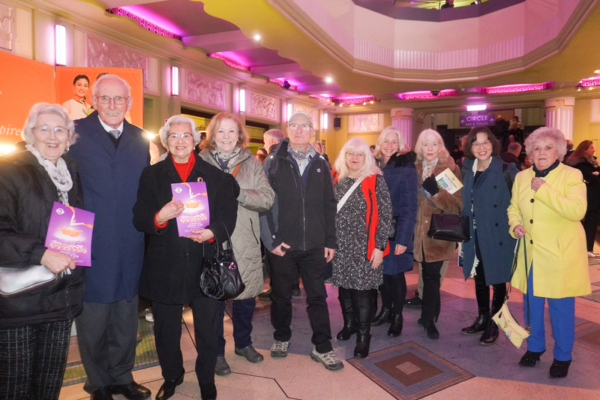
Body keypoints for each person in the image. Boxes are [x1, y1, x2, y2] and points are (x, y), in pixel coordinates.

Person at [133, 115, 239, 400]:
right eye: (173, 136)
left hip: (204, 262)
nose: (180, 141)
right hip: (165, 263)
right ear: (166, 141)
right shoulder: (151, 175)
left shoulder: (215, 176)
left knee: (207, 328)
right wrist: (160, 216)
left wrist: (212, 232)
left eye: (185, 136)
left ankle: (206, 379)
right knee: (166, 329)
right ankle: (172, 375)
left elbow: (228, 216)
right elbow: (140, 218)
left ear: (195, 140)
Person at [68, 74, 151, 400]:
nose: (113, 105)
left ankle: (122, 377)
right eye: (106, 98)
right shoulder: (74, 132)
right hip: (90, 240)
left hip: (131, 240)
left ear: (128, 103)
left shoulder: (140, 138)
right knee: (93, 318)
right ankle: (98, 383)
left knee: (126, 316)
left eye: (120, 99)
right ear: (94, 101)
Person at [0, 103, 85, 400]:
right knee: (14, 388)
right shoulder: (8, 170)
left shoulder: (70, 174)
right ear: (30, 133)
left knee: (49, 387)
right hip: (20, 301)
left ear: (69, 137)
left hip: (60, 297)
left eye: (60, 129)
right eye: (44, 128)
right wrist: (41, 254)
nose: (52, 136)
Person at [259, 112, 343, 370]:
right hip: (283, 244)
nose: (298, 130)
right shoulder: (273, 162)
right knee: (281, 295)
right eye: (294, 125)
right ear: (287, 129)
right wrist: (271, 240)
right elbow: (263, 204)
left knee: (318, 297)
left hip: (315, 245)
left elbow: (330, 204)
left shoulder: (321, 163)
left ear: (312, 132)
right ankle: (281, 336)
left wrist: (330, 240)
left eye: (304, 126)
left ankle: (323, 346)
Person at [508, 127, 591, 378]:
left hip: (559, 255)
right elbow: (513, 207)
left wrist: (544, 190)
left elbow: (577, 211)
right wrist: (515, 225)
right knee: (531, 306)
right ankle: (535, 347)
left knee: (560, 309)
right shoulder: (521, 177)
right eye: (536, 148)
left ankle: (563, 356)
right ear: (529, 153)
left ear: (559, 152)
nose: (541, 152)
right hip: (531, 254)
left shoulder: (571, 175)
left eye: (547, 147)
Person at [199, 113, 275, 376]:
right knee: (214, 299)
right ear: (212, 135)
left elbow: (267, 199)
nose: (226, 136)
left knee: (245, 297)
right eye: (221, 131)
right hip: (211, 240)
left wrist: (240, 193)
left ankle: (243, 343)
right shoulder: (200, 162)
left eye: (232, 131)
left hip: (244, 239)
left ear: (239, 135)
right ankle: (217, 352)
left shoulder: (251, 162)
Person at [331, 138, 392, 358]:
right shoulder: (335, 177)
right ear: (344, 156)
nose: (354, 158)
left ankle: (363, 336)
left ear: (367, 157)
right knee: (344, 287)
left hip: (366, 245)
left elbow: (385, 215)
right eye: (350, 153)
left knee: (363, 291)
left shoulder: (375, 179)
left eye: (359, 154)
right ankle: (349, 324)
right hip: (340, 244)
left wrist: (380, 246)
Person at [459, 126, 519, 346]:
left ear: (493, 144)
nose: (481, 147)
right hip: (474, 233)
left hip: (498, 233)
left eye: (485, 142)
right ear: (470, 147)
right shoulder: (466, 169)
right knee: (480, 277)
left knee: (498, 279)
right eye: (476, 143)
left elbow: (520, 199)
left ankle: (494, 323)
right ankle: (483, 317)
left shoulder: (506, 169)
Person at [413, 129, 463, 339]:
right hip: (419, 233)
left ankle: (429, 319)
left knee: (432, 276)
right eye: (425, 144)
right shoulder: (415, 168)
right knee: (426, 275)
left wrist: (436, 192)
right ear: (420, 147)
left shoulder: (448, 170)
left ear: (440, 146)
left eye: (434, 144)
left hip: (438, 233)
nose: (430, 148)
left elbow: (457, 205)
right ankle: (430, 312)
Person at [371, 127, 418, 338]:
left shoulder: (406, 168)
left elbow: (410, 206)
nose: (389, 145)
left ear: (400, 145)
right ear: (379, 144)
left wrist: (403, 239)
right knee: (381, 273)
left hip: (396, 230)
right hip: (376, 231)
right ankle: (386, 310)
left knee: (396, 275)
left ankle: (397, 316)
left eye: (394, 142)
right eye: (386, 141)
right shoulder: (373, 166)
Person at [566, 140, 600, 257]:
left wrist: (595, 175)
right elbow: (588, 177)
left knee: (591, 223)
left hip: (592, 196)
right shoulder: (580, 163)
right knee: (588, 223)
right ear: (584, 149)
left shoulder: (591, 161)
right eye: (591, 148)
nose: (594, 150)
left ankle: (587, 248)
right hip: (588, 197)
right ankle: (585, 249)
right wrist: (594, 176)